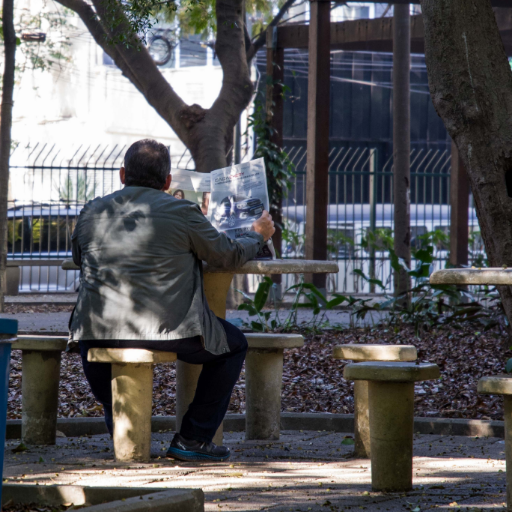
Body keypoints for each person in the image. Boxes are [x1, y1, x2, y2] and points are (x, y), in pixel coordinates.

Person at [70, 139, 275, 462]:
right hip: (169, 329)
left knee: (106, 368)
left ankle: (121, 430)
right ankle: (193, 438)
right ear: (167, 182)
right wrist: (258, 234)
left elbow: (79, 257)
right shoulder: (182, 211)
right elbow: (227, 255)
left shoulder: (92, 210)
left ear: (122, 174)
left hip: (92, 332)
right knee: (233, 344)